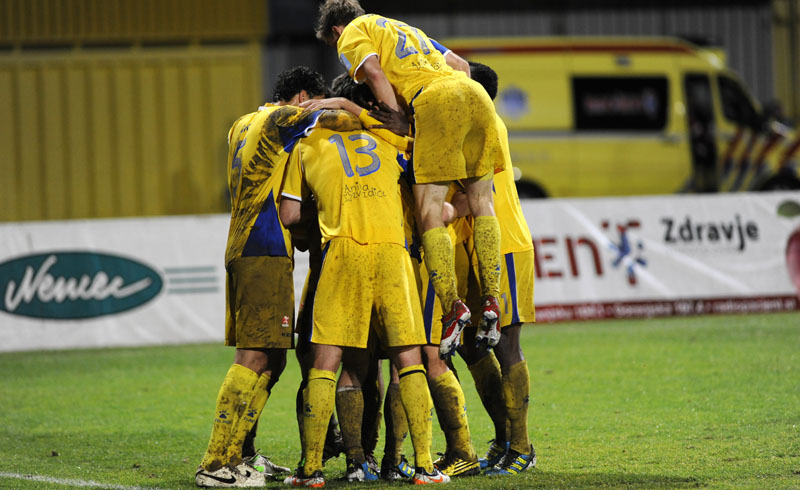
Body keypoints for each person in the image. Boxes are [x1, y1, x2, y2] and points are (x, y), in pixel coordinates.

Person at [194, 66, 364, 488]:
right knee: (254, 356)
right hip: (265, 245)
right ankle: (215, 463)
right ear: (303, 97)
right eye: (313, 102)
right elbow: (348, 121)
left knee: (273, 358)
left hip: (243, 244)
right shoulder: (281, 117)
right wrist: (342, 104)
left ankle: (239, 455)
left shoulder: (241, 124)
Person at [314, 0, 506, 361]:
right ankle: (493, 298)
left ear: (335, 30)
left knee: (428, 211)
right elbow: (462, 66)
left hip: (433, 100)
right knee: (483, 203)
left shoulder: (352, 32)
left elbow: (373, 72)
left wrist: (398, 118)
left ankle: (453, 307)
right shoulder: (406, 29)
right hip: (475, 96)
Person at [279, 81, 449, 487]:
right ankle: (424, 467)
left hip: (341, 249)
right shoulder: (389, 137)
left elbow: (289, 215)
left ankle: (313, 469)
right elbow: (430, 186)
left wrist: (322, 212)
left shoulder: (304, 144)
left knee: (328, 362)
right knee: (409, 360)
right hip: (393, 251)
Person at [455, 61, 538, 476]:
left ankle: (522, 446)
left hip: (504, 244)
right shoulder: (465, 127)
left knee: (505, 343)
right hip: (473, 246)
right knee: (471, 346)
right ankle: (504, 437)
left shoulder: (488, 126)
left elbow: (474, 195)